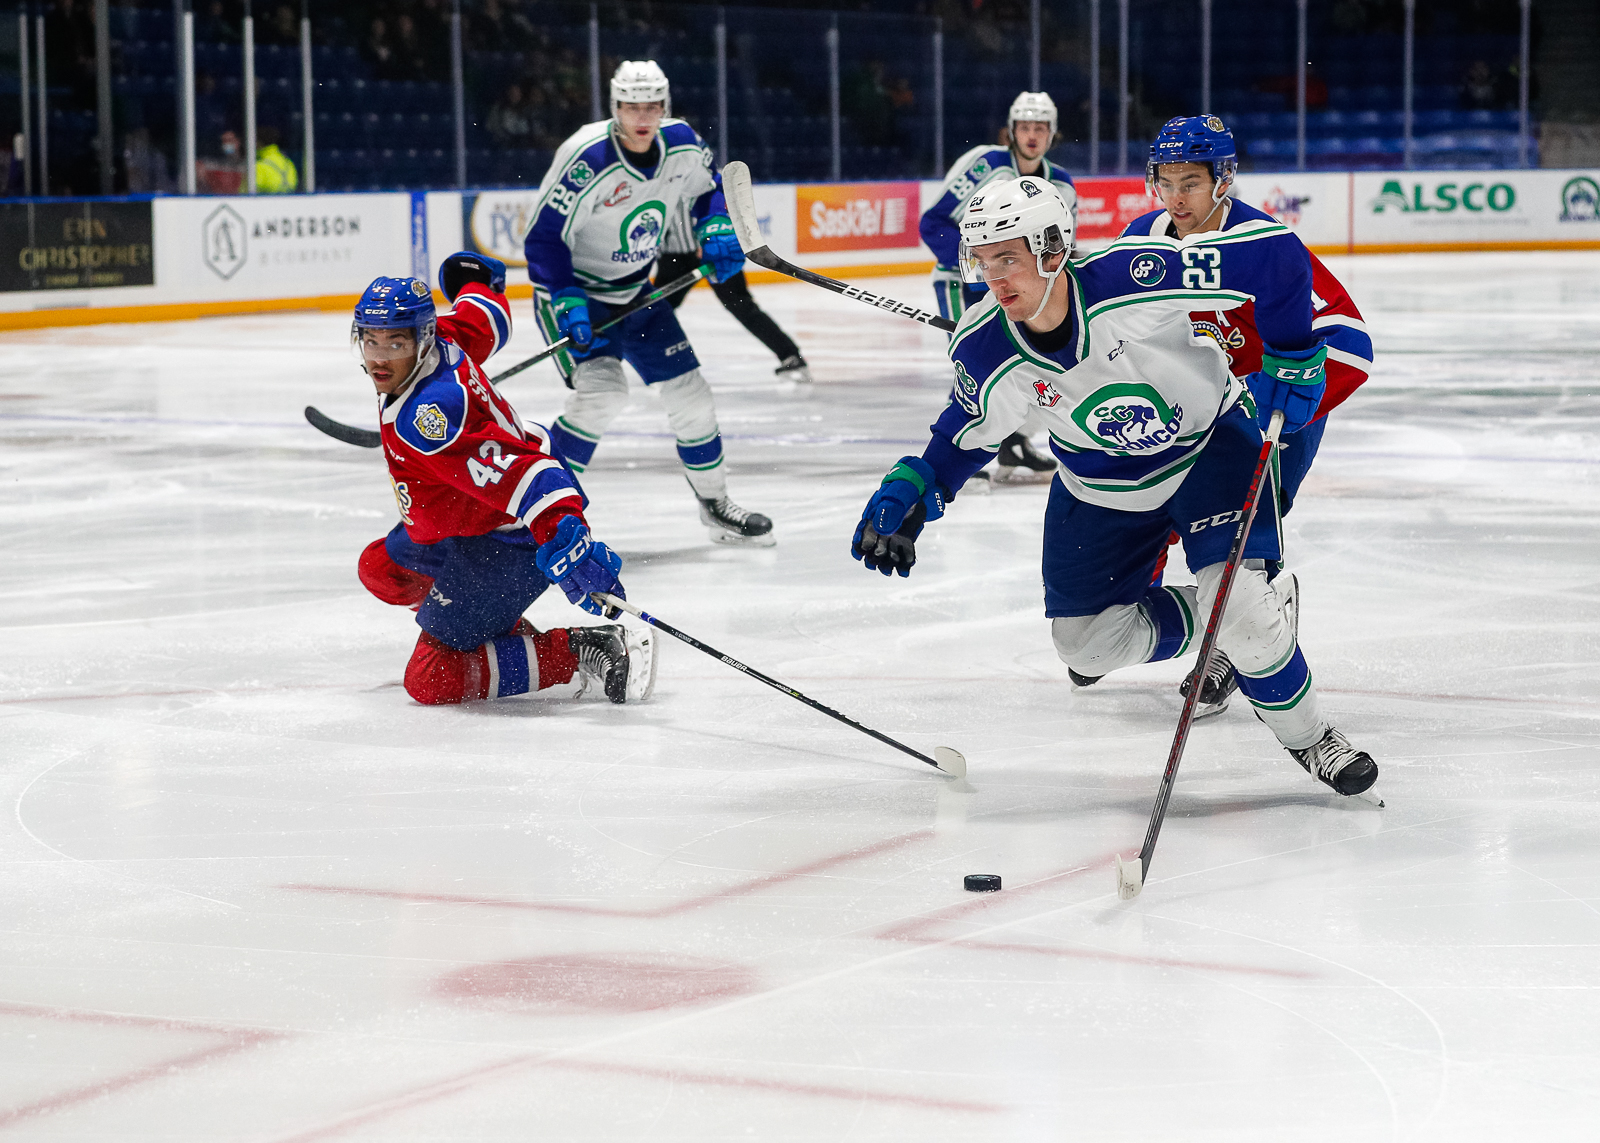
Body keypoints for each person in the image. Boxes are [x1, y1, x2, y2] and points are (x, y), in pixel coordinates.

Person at [850, 177, 1378, 798]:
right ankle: (1245, 611)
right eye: (985, 261)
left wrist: (1294, 353)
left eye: (1010, 258)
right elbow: (963, 435)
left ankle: (1312, 735)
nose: (995, 277)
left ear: (1052, 249)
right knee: (1088, 646)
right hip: (1101, 487)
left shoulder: (1136, 276)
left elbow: (1275, 257)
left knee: (1237, 612)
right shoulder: (984, 343)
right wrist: (913, 490)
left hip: (1210, 449)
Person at [1122, 115, 1374, 717]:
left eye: (1191, 181)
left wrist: (1275, 389)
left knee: (1239, 536)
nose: (1176, 197)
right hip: (1188, 413)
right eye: (1166, 181)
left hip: (1274, 418)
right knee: (1153, 510)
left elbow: (1348, 337)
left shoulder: (1264, 245)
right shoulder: (1142, 237)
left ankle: (1229, 648)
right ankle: (1124, 610)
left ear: (1223, 180)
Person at [351, 251, 656, 707]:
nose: (379, 358)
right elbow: (486, 316)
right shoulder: (445, 338)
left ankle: (583, 649)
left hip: (505, 538)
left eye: (395, 344)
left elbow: (526, 474)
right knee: (383, 569)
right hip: (459, 521)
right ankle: (492, 627)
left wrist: (567, 535)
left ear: (421, 338)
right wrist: (475, 280)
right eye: (371, 342)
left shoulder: (428, 420)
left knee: (432, 680)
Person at [524, 60, 774, 547]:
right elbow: (543, 239)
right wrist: (568, 300)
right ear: (615, 107)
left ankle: (715, 504)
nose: (642, 117)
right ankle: (540, 515)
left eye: (652, 106)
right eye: (631, 106)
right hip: (576, 295)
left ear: (665, 107)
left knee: (693, 397)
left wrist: (717, 226)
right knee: (602, 394)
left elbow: (709, 192)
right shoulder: (586, 158)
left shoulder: (681, 143)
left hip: (639, 292)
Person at [919, 91, 1078, 483]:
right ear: (1012, 130)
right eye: (1025, 126)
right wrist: (979, 267)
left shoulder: (1062, 183)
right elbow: (933, 221)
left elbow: (1060, 250)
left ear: (1052, 134)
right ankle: (960, 448)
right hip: (964, 282)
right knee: (975, 363)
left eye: (1040, 128)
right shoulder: (986, 165)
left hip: (1024, 286)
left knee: (1032, 360)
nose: (1032, 135)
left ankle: (1014, 442)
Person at [654, 193, 811, 384]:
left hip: (715, 250)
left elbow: (720, 199)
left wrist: (717, 236)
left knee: (742, 305)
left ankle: (790, 355)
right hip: (675, 257)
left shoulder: (701, 170)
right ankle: (657, 366)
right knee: (655, 311)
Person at [255, 126, 297, 194]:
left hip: (267, 202)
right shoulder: (288, 162)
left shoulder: (259, 165)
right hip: (289, 200)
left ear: (259, 143)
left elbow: (248, 193)